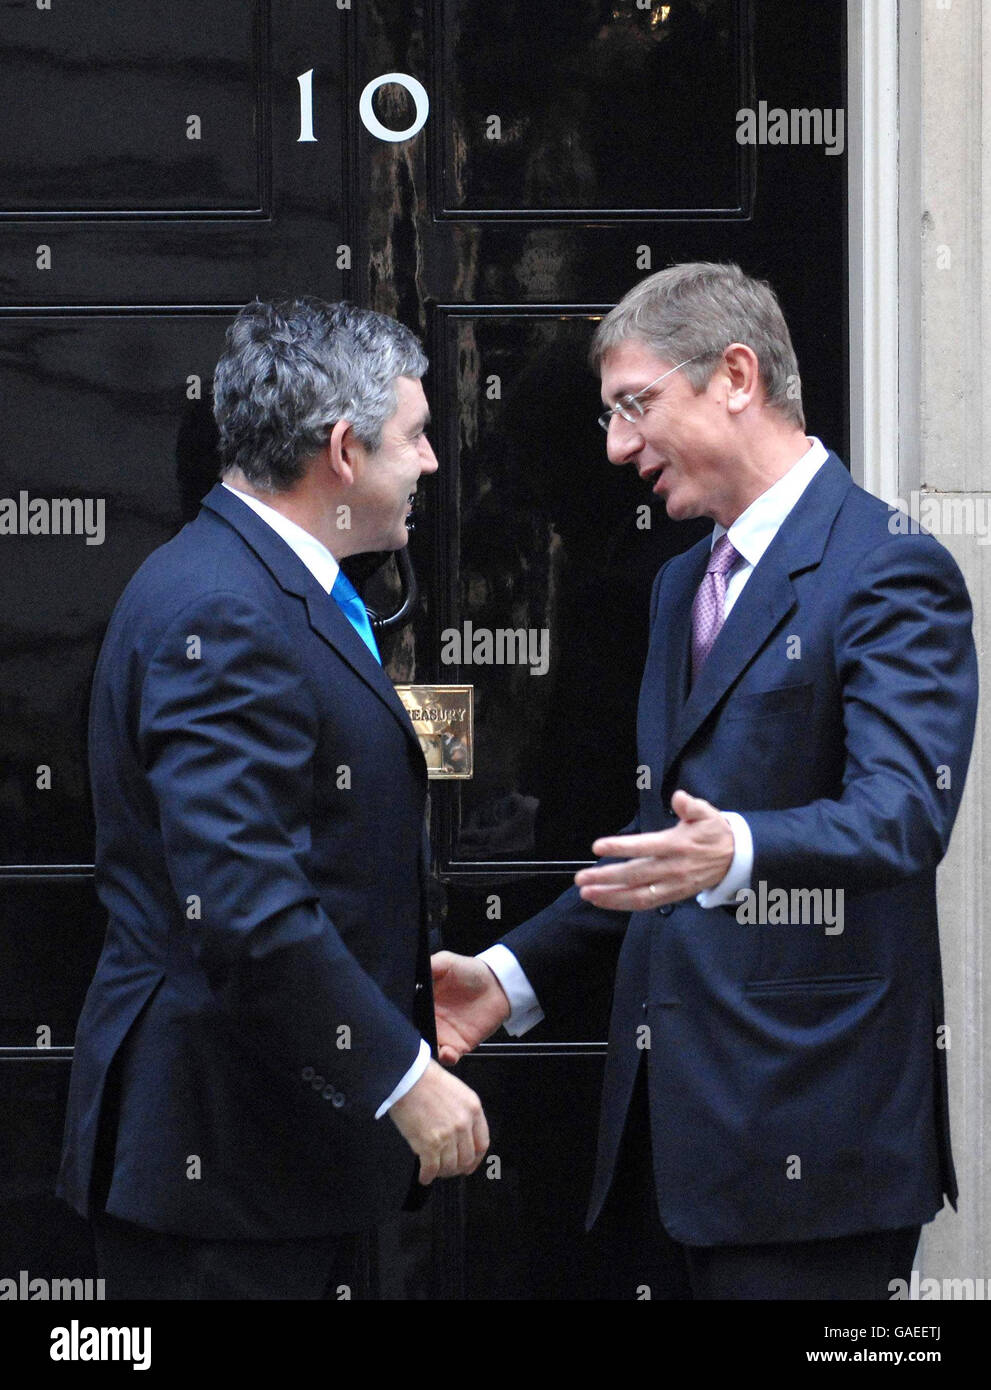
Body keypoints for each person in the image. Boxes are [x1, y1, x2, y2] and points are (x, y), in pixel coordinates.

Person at [431, 262, 978, 1300]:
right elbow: (658, 854)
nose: (616, 447)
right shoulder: (680, 581)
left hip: (814, 1154)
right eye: (608, 415)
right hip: (662, 1149)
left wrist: (742, 847)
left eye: (635, 406)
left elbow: (905, 809)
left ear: (736, 375)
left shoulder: (886, 566)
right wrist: (505, 979)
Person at [57, 298, 488, 1299]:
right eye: (417, 436)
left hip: (265, 1165)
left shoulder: (268, 585)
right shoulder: (224, 608)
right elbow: (245, 905)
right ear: (343, 449)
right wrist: (401, 1075)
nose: (431, 463)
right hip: (223, 1176)